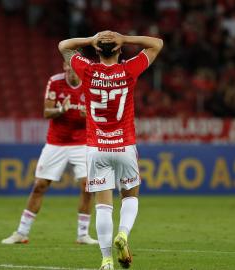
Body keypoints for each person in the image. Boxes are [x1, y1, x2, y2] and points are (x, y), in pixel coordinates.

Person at [58, 31, 163, 270]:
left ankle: (106, 260)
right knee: (130, 196)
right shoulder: (128, 70)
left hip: (96, 147)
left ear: (96, 50)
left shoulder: (87, 70)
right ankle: (123, 235)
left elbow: (64, 45)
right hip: (124, 145)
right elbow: (157, 44)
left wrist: (90, 39)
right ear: (118, 50)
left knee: (103, 205)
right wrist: (124, 37)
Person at [1, 62, 98, 245]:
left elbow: (101, 112)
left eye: (74, 69)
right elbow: (46, 112)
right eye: (68, 69)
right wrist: (61, 110)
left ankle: (83, 234)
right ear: (64, 68)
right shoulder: (55, 82)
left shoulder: (91, 84)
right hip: (56, 142)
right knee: (40, 185)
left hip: (82, 143)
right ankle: (22, 232)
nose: (71, 73)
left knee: (87, 186)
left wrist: (90, 114)